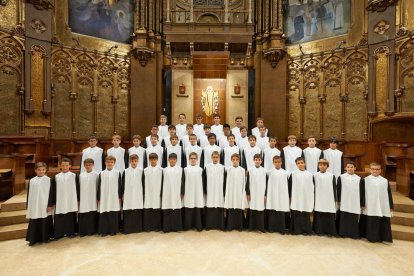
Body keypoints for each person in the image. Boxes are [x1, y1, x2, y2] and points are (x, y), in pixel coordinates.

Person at [359, 162, 394, 243]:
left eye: (377, 169)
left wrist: (391, 206)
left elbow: (389, 194)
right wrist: (362, 204)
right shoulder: (365, 180)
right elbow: (362, 193)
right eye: (373, 169)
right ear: (370, 170)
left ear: (380, 170)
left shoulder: (385, 181)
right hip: (370, 204)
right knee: (370, 220)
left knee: (381, 220)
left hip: (382, 204)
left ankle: (381, 237)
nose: (375, 171)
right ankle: (370, 236)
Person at [26, 162, 54, 246]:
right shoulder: (32, 181)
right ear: (35, 170)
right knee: (34, 220)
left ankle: (45, 238)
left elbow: (51, 193)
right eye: (39, 170)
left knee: (45, 220)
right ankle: (33, 239)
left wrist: (50, 205)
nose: (41, 171)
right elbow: (29, 194)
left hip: (44, 204)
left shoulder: (48, 180)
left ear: (45, 170)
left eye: (43, 170)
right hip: (34, 204)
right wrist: (28, 205)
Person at [52, 158, 79, 239]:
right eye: (63, 165)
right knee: (60, 215)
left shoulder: (74, 176)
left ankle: (71, 232)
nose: (65, 167)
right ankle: (59, 233)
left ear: (70, 166)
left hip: (71, 199)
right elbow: (53, 190)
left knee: (70, 215)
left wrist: (78, 199)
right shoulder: (56, 177)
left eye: (66, 165)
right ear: (60, 166)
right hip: (60, 199)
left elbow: (78, 188)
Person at [337, 161, 364, 239]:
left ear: (355, 168)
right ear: (345, 168)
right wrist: (338, 200)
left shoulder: (359, 179)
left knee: (353, 216)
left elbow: (361, 191)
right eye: (348, 167)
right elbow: (338, 189)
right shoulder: (341, 177)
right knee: (344, 216)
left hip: (355, 200)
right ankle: (343, 232)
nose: (350, 168)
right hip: (344, 199)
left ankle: (353, 233)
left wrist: (361, 203)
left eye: (352, 167)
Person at [97, 156, 122, 236]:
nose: (109, 163)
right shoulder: (101, 173)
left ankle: (113, 230)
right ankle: (104, 231)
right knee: (104, 212)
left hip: (113, 196)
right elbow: (99, 185)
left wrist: (119, 196)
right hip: (104, 196)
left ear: (114, 163)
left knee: (113, 212)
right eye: (108, 162)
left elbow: (119, 185)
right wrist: (99, 197)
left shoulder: (117, 173)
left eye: (111, 162)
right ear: (105, 163)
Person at [289, 157, 314, 235]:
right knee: (296, 212)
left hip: (306, 197)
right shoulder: (293, 174)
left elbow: (312, 186)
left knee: (305, 212)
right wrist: (290, 196)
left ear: (305, 163)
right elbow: (290, 186)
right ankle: (297, 230)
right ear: (296, 164)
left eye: (302, 163)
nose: (300, 164)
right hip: (296, 196)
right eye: (298, 163)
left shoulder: (309, 174)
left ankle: (306, 230)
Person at [313, 159, 337, 236]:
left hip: (329, 198)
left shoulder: (331, 176)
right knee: (319, 213)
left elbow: (334, 188)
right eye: (320, 165)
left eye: (324, 165)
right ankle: (319, 230)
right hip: (319, 197)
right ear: (318, 166)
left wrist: (334, 199)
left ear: (327, 166)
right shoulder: (315, 175)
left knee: (328, 213)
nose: (322, 166)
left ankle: (329, 231)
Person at [266, 156, 290, 234]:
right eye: (275, 162)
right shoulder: (269, 172)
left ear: (281, 162)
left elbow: (288, 185)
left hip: (282, 194)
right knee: (273, 210)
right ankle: (271, 228)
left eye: (279, 162)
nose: (277, 163)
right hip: (272, 194)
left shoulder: (285, 173)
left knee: (281, 210)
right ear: (273, 163)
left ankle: (281, 229)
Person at [161, 153, 184, 232]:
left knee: (176, 208)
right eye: (170, 159)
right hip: (167, 193)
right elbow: (162, 182)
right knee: (167, 207)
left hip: (177, 192)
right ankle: (167, 228)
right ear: (168, 160)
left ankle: (177, 228)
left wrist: (182, 192)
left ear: (176, 160)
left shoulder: (180, 169)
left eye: (174, 159)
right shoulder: (164, 170)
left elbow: (182, 181)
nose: (172, 161)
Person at [203, 151, 226, 230]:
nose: (215, 159)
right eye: (214, 157)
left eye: (217, 157)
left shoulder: (222, 167)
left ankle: (220, 225)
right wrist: (205, 190)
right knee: (210, 205)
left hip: (219, 190)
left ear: (219, 158)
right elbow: (204, 180)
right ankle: (209, 225)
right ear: (211, 158)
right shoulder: (207, 167)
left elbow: (225, 180)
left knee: (219, 204)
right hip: (210, 190)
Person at [121, 154, 144, 234]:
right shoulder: (126, 171)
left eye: (135, 161)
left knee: (137, 208)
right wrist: (123, 194)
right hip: (128, 194)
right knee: (129, 208)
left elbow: (144, 183)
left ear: (137, 161)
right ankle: (128, 229)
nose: (134, 163)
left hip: (138, 193)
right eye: (132, 161)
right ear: (130, 161)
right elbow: (123, 183)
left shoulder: (141, 171)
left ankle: (137, 228)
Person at [224, 153, 247, 231]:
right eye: (233, 159)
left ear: (239, 160)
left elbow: (244, 182)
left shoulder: (242, 170)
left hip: (239, 192)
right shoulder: (228, 169)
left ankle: (239, 226)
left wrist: (243, 193)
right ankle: (230, 226)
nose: (235, 161)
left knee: (238, 207)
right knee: (231, 207)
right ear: (231, 160)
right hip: (230, 192)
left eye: (237, 159)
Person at [182, 152, 204, 231]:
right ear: (189, 159)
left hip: (198, 192)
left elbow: (203, 181)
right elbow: (183, 181)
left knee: (197, 207)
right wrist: (183, 192)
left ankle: (198, 226)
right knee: (189, 207)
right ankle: (188, 226)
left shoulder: (200, 169)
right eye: (192, 158)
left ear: (197, 159)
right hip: (188, 192)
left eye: (195, 158)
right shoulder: (185, 169)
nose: (193, 160)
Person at [78, 158, 99, 236]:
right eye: (86, 165)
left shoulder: (97, 175)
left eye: (90, 165)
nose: (88, 166)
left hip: (93, 197)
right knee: (84, 213)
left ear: (93, 165)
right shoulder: (81, 175)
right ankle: (83, 231)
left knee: (92, 213)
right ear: (84, 166)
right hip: (83, 197)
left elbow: (98, 187)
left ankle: (92, 231)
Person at [246, 154, 267, 232]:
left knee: (260, 209)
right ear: (253, 160)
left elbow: (266, 183)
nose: (257, 161)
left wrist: (265, 194)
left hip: (261, 193)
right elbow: (247, 182)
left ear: (261, 161)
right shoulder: (250, 170)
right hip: (252, 192)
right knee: (252, 209)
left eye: (259, 160)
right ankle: (251, 227)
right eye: (256, 160)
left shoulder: (264, 171)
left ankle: (261, 227)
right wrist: (248, 193)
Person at [143, 153, 163, 231]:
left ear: (157, 160)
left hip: (157, 192)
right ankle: (148, 227)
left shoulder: (161, 170)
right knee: (149, 208)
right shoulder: (145, 170)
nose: (153, 161)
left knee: (157, 209)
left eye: (155, 159)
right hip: (148, 192)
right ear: (149, 160)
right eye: (151, 159)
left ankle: (157, 227)